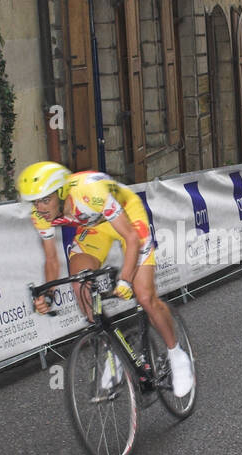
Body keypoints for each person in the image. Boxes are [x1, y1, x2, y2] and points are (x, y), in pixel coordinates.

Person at [17, 161, 194, 396]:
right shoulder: (40, 215)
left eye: (45, 200)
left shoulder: (89, 193)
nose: (40, 208)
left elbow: (131, 238)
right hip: (95, 228)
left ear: (61, 192)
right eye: (35, 202)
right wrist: (47, 296)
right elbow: (51, 259)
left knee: (144, 296)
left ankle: (176, 355)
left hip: (128, 217)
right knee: (79, 283)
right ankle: (114, 352)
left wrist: (125, 280)